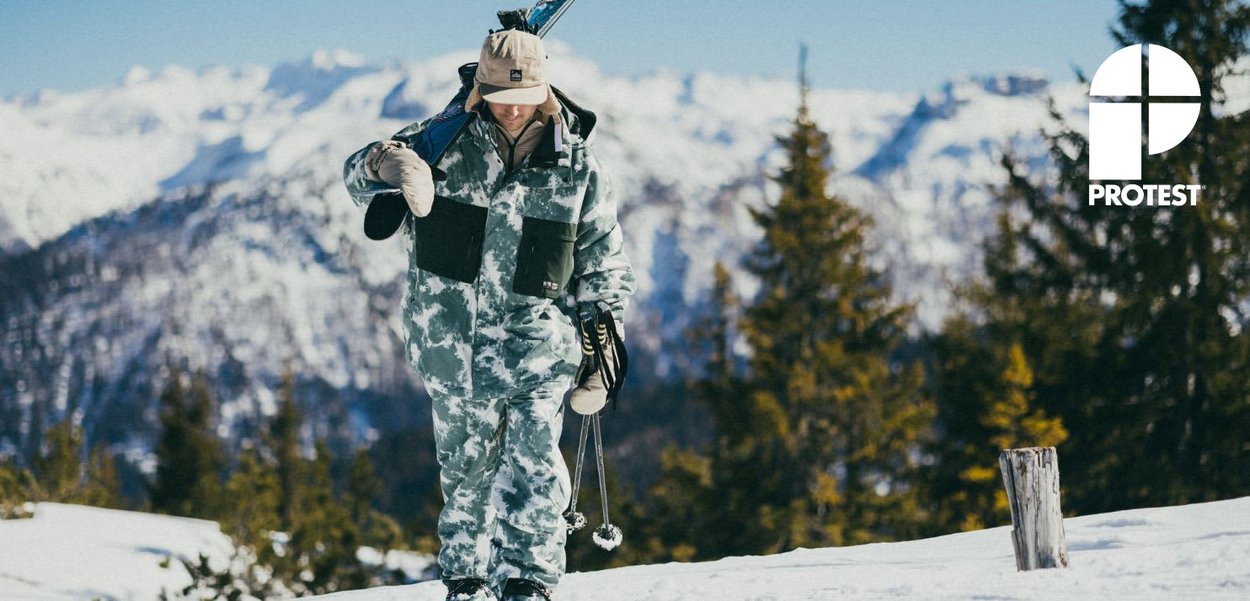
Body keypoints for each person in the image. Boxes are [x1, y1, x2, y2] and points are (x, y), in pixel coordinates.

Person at [342, 28, 636, 601]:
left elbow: (603, 264)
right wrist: (388, 165)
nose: (514, 110)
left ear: (546, 92)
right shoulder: (439, 142)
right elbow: (355, 174)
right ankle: (467, 580)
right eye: (502, 100)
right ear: (480, 93)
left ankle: (529, 582)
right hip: (452, 348)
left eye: (525, 98)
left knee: (536, 470)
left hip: (537, 350)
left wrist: (605, 352)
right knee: (465, 475)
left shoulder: (576, 166)